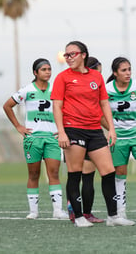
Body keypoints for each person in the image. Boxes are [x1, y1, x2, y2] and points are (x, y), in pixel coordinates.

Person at [51, 40, 134, 227]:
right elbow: (57, 106)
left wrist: (111, 129)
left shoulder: (96, 77)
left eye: (72, 54)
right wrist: (62, 132)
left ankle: (113, 216)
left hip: (95, 130)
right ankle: (79, 217)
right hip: (73, 129)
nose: (68, 58)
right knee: (75, 173)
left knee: (108, 172)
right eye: (66, 55)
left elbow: (104, 103)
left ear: (83, 55)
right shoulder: (62, 78)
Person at [3, 58, 68, 220]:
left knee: (53, 172)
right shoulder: (27, 90)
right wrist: (19, 126)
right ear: (35, 72)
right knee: (33, 174)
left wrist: (62, 130)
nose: (48, 72)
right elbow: (7, 106)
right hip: (33, 139)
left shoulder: (56, 90)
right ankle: (34, 211)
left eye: (49, 69)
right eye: (44, 69)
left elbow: (64, 110)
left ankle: (57, 210)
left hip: (52, 139)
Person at [66, 56, 104, 223]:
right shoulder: (87, 87)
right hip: (80, 133)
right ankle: (80, 213)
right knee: (81, 176)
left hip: (83, 133)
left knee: (81, 176)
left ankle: (80, 213)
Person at [105, 57, 135, 219]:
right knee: (120, 173)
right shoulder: (107, 90)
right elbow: (100, 112)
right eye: (124, 70)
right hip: (118, 139)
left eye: (129, 69)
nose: (128, 73)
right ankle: (120, 212)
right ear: (115, 73)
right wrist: (111, 129)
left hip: (135, 135)